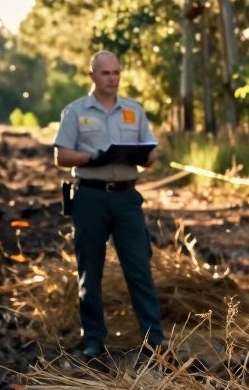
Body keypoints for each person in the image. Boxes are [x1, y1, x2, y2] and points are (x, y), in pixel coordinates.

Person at [53, 50, 165, 359]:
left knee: (139, 267)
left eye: (116, 72)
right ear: (92, 75)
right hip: (90, 196)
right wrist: (92, 157)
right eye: (106, 73)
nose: (112, 79)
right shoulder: (75, 112)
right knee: (90, 269)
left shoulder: (134, 111)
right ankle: (93, 339)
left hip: (127, 198)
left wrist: (146, 156)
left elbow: (152, 155)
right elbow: (61, 157)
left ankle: (154, 338)